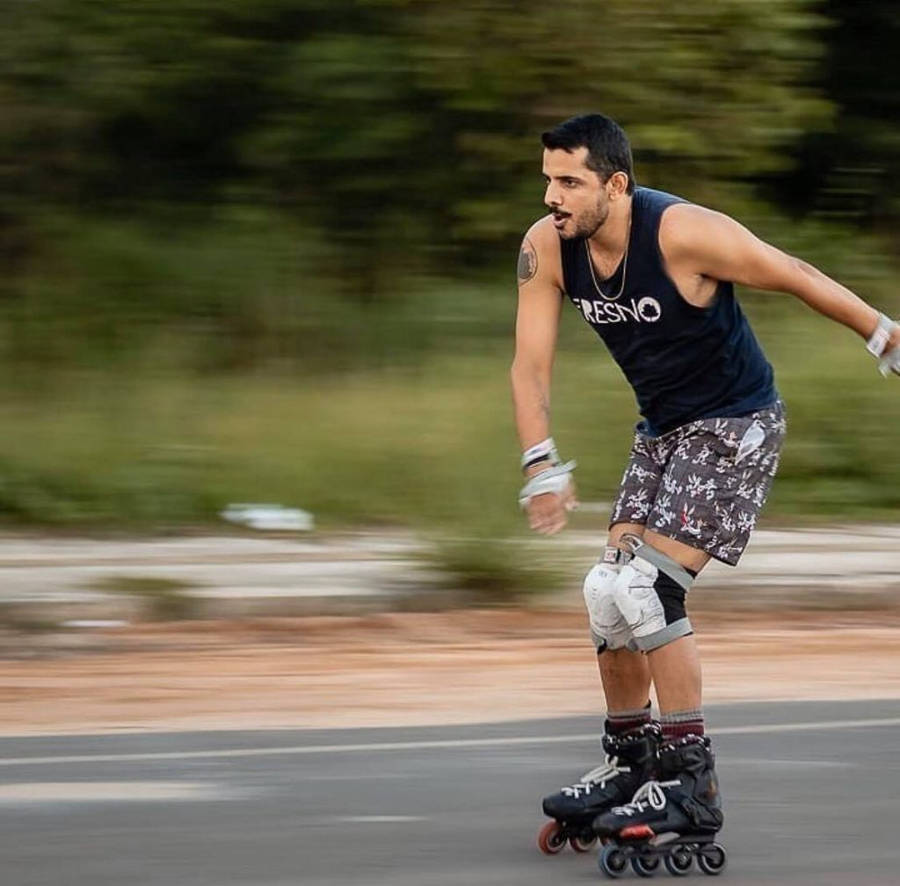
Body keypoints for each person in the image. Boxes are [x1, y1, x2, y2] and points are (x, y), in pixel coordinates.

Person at [511, 113, 900, 858]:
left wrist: (882, 334)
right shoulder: (546, 248)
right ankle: (632, 764)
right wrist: (541, 463)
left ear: (615, 185)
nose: (553, 198)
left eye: (570, 182)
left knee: (648, 591)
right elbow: (529, 365)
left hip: (736, 422)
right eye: (547, 181)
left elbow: (795, 273)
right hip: (661, 431)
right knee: (607, 589)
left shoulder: (683, 233)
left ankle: (691, 782)